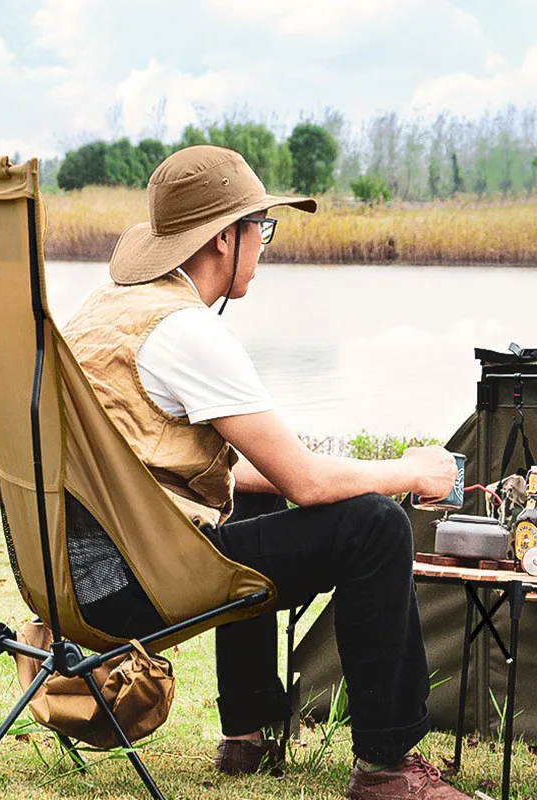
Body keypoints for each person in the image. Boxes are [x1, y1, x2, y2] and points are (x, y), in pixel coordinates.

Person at [62, 145, 469, 800]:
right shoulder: (187, 332)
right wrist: (411, 470)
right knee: (376, 527)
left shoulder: (105, 311)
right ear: (227, 238)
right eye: (263, 229)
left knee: (252, 505)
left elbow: (197, 465)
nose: (264, 245)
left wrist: (296, 474)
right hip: (141, 580)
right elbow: (306, 482)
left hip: (80, 572)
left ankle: (246, 735)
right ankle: (388, 769)